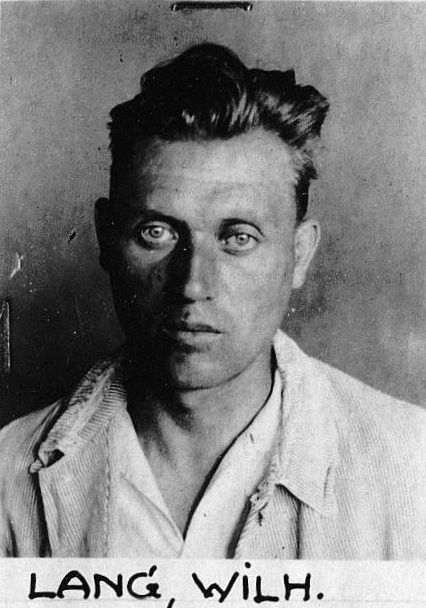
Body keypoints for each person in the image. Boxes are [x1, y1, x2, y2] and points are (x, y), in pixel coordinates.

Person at [1, 43, 425, 559]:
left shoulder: (412, 468)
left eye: (238, 237)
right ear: (107, 239)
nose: (192, 284)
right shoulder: (7, 480)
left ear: (299, 255)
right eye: (156, 232)